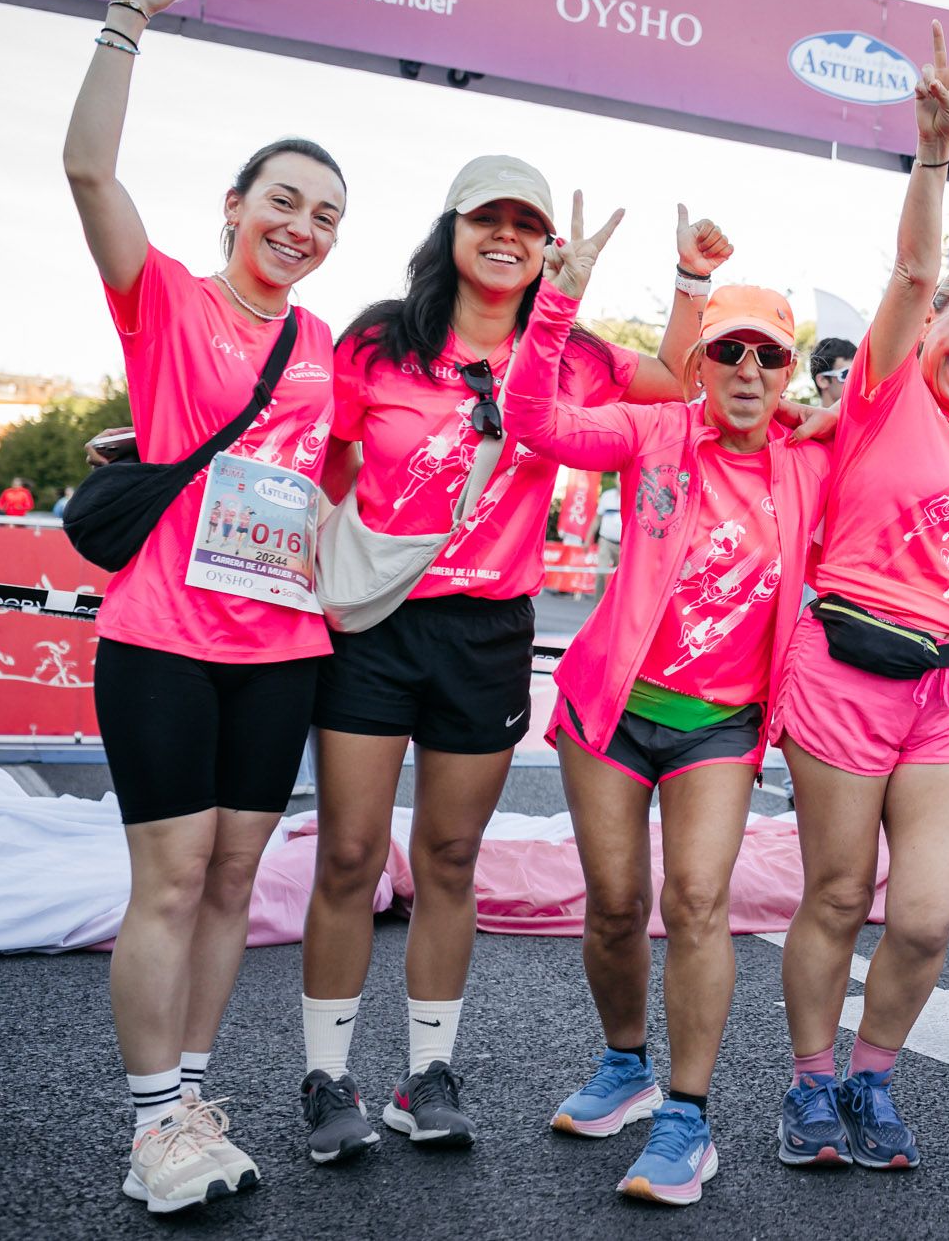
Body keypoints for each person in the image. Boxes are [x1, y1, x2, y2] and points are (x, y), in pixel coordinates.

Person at [298, 167, 716, 1165]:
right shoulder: (377, 339)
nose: (508, 234)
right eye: (489, 216)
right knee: (350, 856)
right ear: (451, 227)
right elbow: (327, 467)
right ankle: (327, 1078)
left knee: (448, 859)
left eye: (526, 224)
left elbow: (680, 390)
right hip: (376, 625)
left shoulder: (570, 354)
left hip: (487, 635)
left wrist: (687, 282)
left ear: (543, 250)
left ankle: (425, 1077)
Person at [65, 0, 347, 1213]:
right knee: (170, 880)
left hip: (280, 645)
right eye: (283, 201)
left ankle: (186, 1098)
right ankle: (146, 1133)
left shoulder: (323, 340)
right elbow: (87, 172)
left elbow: (323, 471)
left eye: (325, 216)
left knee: (238, 879)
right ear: (235, 203)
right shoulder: (169, 301)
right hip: (167, 636)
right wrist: (127, 18)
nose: (301, 226)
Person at [501, 202, 831, 1207]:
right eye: (726, 349)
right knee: (612, 909)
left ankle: (687, 1120)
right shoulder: (653, 432)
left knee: (694, 902)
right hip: (611, 711)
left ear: (786, 377)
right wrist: (559, 295)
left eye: (766, 358)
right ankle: (625, 1066)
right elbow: (531, 419)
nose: (744, 370)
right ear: (698, 364)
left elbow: (910, 398)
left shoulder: (810, 463)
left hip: (721, 724)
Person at [770, 23, 949, 1180]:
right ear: (930, 329)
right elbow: (916, 271)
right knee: (837, 894)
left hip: (947, 688)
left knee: (926, 917)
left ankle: (873, 1075)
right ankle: (811, 1082)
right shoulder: (882, 395)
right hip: (843, 669)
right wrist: (934, 153)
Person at [809, 336, 857, 410]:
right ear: (822, 380)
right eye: (847, 374)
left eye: (859, 373)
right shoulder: (806, 421)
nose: (857, 381)